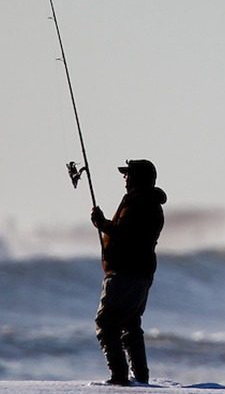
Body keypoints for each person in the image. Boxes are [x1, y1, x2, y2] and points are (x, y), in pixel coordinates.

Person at [90, 159, 167, 385]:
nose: (124, 179)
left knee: (106, 323)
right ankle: (140, 377)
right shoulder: (149, 203)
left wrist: (102, 223)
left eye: (128, 175)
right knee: (131, 324)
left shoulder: (140, 204)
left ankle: (120, 377)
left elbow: (126, 234)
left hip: (126, 273)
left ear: (137, 178)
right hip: (140, 273)